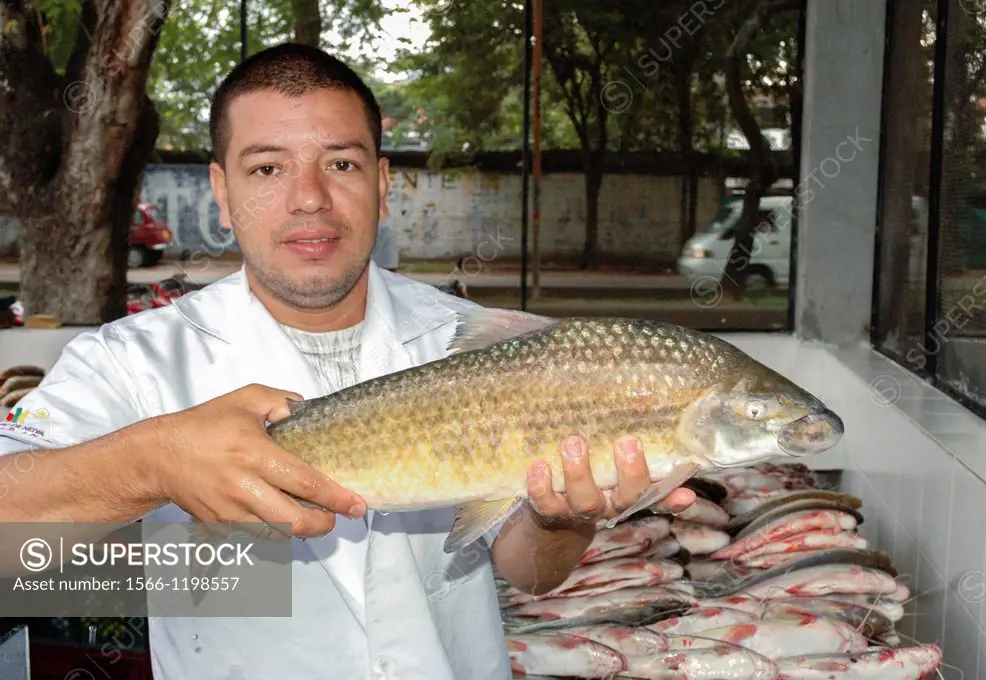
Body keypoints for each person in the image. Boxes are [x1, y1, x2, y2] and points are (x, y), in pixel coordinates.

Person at [0, 43, 695, 680]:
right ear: (221, 190)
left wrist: (560, 517)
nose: (310, 198)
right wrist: (151, 463)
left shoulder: (487, 346)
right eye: (268, 168)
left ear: (383, 182)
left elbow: (532, 575)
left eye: (341, 163)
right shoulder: (132, 360)